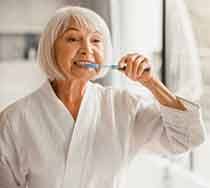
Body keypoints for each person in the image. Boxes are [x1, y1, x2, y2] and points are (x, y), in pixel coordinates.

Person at [0, 6, 206, 188]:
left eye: (96, 40)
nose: (87, 50)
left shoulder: (124, 106)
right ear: (50, 48)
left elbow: (187, 138)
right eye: (73, 39)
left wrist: (151, 82)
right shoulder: (14, 119)